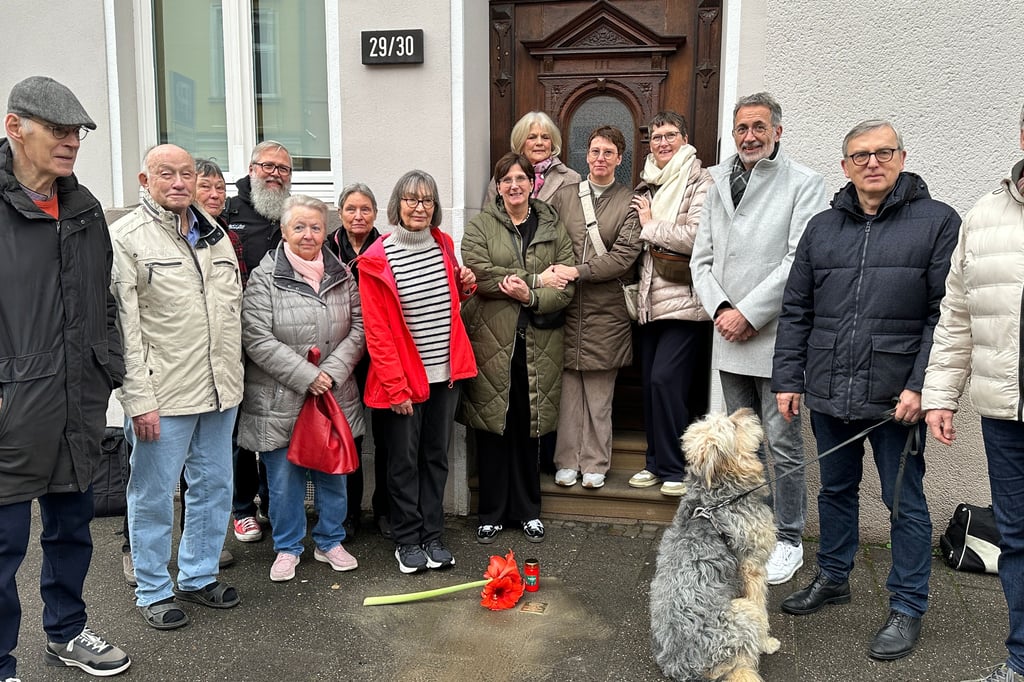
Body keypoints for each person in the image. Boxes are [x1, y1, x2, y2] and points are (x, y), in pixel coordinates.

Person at [772, 120, 960, 661]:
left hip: (895, 398)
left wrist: (921, 385)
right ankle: (833, 576)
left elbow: (942, 316)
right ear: (845, 165)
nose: (871, 163)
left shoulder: (938, 222)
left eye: (882, 153)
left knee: (903, 502)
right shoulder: (822, 227)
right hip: (829, 387)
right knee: (834, 491)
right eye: (860, 155)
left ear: (902, 157)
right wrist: (788, 378)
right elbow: (797, 310)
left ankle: (906, 604)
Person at [0, 75, 131, 679]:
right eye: (57, 129)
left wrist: (107, 366)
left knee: (71, 531)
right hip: (11, 405)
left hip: (77, 400)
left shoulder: (84, 209)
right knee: (3, 548)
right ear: (14, 127)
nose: (71, 141)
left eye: (77, 131)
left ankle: (67, 632)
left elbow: (101, 298)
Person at [691, 92, 827, 584]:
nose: (749, 136)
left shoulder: (805, 183)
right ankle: (748, 530)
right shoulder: (715, 180)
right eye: (741, 128)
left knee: (784, 444)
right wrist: (723, 310)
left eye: (758, 127)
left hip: (776, 339)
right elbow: (700, 260)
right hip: (729, 336)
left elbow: (799, 261)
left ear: (777, 131)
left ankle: (788, 537)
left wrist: (749, 312)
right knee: (738, 445)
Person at [110, 144, 244, 630]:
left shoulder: (215, 236)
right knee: (153, 495)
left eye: (187, 173)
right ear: (145, 180)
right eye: (166, 173)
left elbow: (233, 312)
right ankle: (152, 588)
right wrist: (138, 399)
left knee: (213, 488)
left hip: (219, 392)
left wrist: (235, 385)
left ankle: (198, 575)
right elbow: (123, 330)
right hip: (162, 398)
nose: (179, 182)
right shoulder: (126, 239)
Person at [923, 104, 1024, 682]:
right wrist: (940, 393)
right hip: (1004, 412)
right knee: (1016, 537)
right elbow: (957, 315)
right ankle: (1021, 659)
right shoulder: (984, 215)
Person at [238, 194, 365, 582]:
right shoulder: (264, 277)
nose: (308, 235)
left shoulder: (342, 274)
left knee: (333, 475)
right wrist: (308, 377)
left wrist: (330, 372)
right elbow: (256, 338)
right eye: (299, 227)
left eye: (315, 227)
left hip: (332, 397)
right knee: (283, 481)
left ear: (326, 231)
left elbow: (359, 329)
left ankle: (330, 541)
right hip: (280, 398)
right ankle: (288, 547)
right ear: (283, 230)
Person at [357, 170, 477, 574]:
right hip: (405, 381)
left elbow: (448, 298)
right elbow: (377, 332)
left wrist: (466, 285)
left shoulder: (443, 244)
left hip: (445, 376)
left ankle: (433, 534)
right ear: (397, 205)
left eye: (427, 200)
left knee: (435, 458)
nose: (419, 207)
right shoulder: (377, 259)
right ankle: (407, 539)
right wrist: (395, 388)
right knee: (403, 463)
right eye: (411, 199)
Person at [461, 152, 575, 544]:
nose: (513, 185)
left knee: (530, 429)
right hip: (492, 343)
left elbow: (565, 286)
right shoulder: (480, 226)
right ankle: (491, 512)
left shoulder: (552, 226)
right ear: (498, 186)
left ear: (532, 183)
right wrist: (534, 279)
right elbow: (480, 273)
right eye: (505, 179)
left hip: (538, 341)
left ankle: (528, 510)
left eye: (520, 178)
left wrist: (531, 295)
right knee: (494, 428)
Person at [545, 126, 642, 489]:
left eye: (608, 153)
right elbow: (548, 242)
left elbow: (623, 258)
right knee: (568, 394)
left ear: (620, 158)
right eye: (595, 151)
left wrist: (577, 271)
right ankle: (567, 460)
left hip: (608, 313)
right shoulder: (565, 197)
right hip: (566, 309)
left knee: (600, 396)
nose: (600, 159)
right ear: (585, 156)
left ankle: (597, 462)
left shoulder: (629, 202)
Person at [627, 111, 714, 498]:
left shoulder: (699, 179)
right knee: (650, 384)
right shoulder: (650, 183)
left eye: (670, 135)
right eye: (655, 137)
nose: (662, 143)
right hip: (649, 300)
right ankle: (654, 462)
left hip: (685, 302)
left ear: (684, 137)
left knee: (668, 381)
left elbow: (697, 237)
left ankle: (677, 466)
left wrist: (650, 226)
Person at [224, 140, 294, 544]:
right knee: (236, 432)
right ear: (251, 168)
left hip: (279, 340)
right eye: (267, 166)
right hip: (235, 339)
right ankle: (241, 509)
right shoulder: (229, 211)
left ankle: (270, 501)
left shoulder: (292, 211)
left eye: (283, 168)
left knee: (273, 423)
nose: (275, 173)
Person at [327, 183, 391, 539]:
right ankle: (348, 514)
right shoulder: (326, 248)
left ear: (375, 213)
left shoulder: (387, 248)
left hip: (379, 352)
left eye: (365, 209)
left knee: (385, 440)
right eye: (351, 209)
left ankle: (384, 510)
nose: (358, 216)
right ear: (340, 213)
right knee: (348, 438)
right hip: (341, 353)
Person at [485, 110, 581, 204]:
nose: (539, 143)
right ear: (520, 142)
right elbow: (488, 216)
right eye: (532, 137)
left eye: (545, 137)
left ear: (552, 143)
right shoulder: (503, 175)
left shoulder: (571, 179)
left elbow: (573, 218)